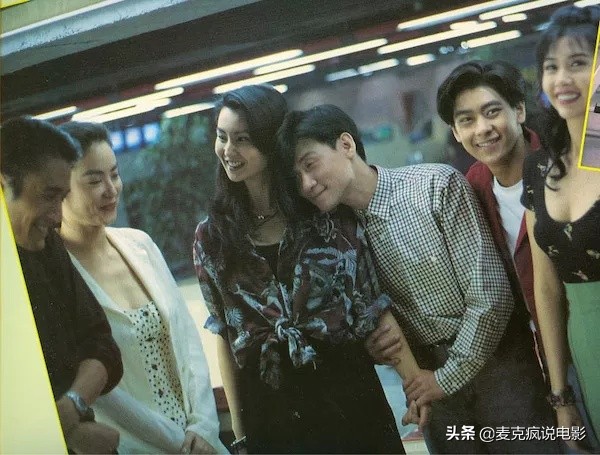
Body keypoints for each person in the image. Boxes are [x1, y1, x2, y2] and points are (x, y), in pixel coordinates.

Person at [276, 103, 562, 453]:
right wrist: (375, 349)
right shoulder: (334, 241)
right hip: (427, 384)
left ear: (346, 145)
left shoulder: (433, 185)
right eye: (296, 178)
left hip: (499, 369)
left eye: (310, 165)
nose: (306, 184)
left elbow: (491, 295)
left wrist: (445, 379)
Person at [193, 84, 406, 454]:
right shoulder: (213, 238)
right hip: (272, 413)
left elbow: (372, 304)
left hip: (351, 402)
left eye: (242, 139)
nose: (228, 150)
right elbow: (226, 336)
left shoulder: (324, 214)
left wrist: (412, 380)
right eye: (222, 136)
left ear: (271, 142)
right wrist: (241, 437)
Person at [438, 58, 598, 453]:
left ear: (519, 111)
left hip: (586, 338)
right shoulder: (473, 187)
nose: (482, 128)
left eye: (492, 111)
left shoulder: (568, 162)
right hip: (537, 362)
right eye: (467, 120)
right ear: (456, 133)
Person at [57, 121, 228, 454]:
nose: (111, 189)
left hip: (201, 443)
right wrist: (176, 443)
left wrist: (204, 426)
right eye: (94, 180)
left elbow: (188, 341)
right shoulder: (60, 275)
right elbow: (106, 394)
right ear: (61, 187)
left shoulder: (140, 245)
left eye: (114, 174)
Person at [0, 116, 123, 454]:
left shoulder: (47, 247)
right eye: (49, 196)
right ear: (5, 183)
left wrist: (71, 408)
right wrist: (59, 434)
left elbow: (102, 345)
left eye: (63, 197)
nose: (57, 217)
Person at [522, 4, 600, 445]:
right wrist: (560, 395)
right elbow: (547, 289)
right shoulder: (540, 169)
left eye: (578, 63)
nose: (561, 79)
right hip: (585, 345)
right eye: (551, 67)